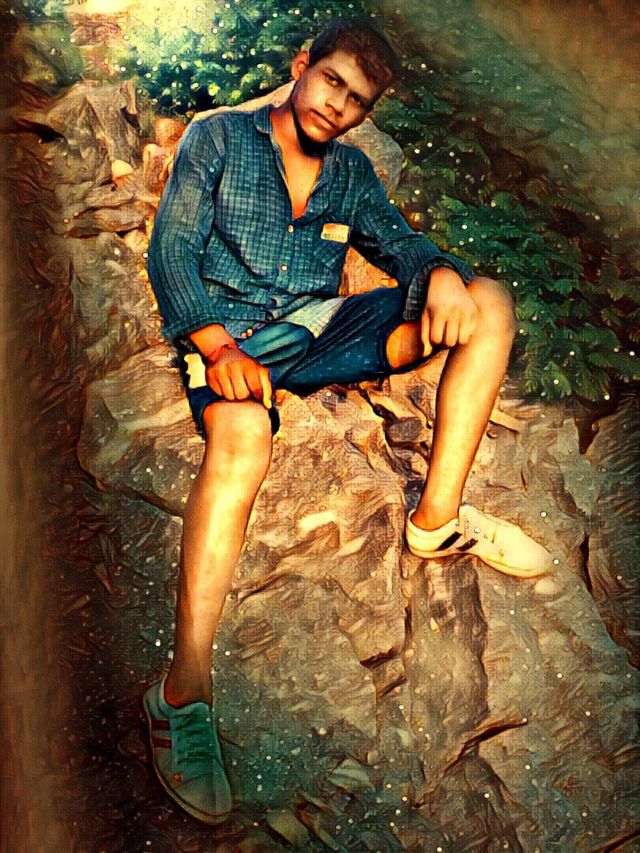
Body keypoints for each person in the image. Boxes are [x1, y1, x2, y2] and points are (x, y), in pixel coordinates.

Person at [143, 16, 552, 824]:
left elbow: (399, 242)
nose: (338, 105)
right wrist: (216, 344)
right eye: (331, 81)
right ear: (302, 66)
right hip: (231, 341)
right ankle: (180, 694)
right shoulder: (218, 138)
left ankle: (435, 521)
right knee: (244, 436)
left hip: (318, 332)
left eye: (357, 100)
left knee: (489, 303)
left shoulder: (352, 173)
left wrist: (439, 271)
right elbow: (171, 251)